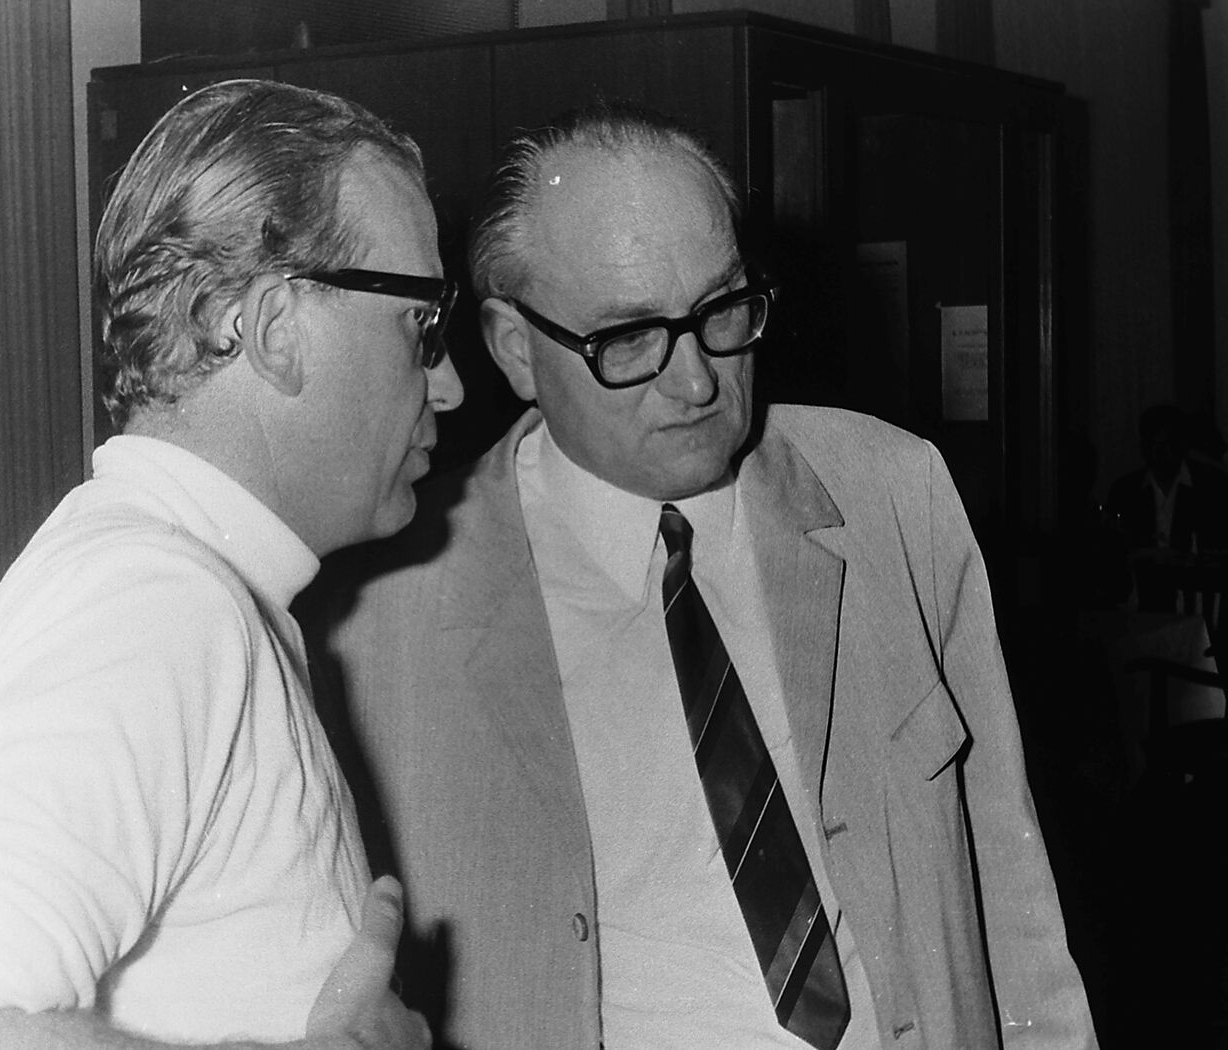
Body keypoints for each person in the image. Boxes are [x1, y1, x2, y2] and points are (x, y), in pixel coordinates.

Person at [311, 102, 1098, 1049]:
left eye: (723, 311)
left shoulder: (892, 494)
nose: (697, 383)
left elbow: (1011, 896)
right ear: (516, 348)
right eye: (629, 338)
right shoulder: (385, 608)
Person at [0, 79, 463, 1049]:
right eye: (422, 327)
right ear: (276, 328)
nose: (447, 385)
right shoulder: (155, 601)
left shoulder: (188, 585)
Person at [1105, 403, 1228, 555]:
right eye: (1154, 445)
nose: (1161, 453)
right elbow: (1114, 549)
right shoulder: (1124, 491)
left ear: (1182, 444)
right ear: (1144, 446)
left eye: (1168, 444)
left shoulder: (1212, 487)